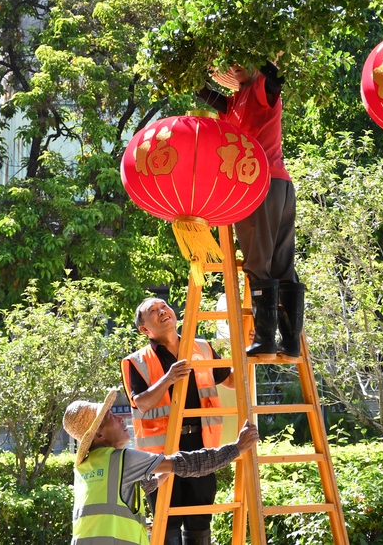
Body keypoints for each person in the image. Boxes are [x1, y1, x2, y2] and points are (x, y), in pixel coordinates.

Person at [199, 61, 305, 358]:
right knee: (282, 264)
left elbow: (271, 88)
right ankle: (291, 343)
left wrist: (271, 74)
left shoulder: (258, 88)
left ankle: (266, 340)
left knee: (258, 263)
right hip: (280, 184)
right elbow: (210, 97)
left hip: (256, 185)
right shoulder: (234, 101)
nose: (235, 66)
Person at [63, 389, 259, 545]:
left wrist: (161, 471)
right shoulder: (122, 459)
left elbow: (128, 492)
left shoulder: (85, 467)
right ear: (99, 436)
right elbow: (188, 464)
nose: (121, 419)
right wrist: (237, 448)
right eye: (111, 417)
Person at [121, 298, 234, 545]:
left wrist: (247, 349)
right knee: (166, 519)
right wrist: (169, 378)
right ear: (144, 329)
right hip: (160, 456)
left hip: (202, 445)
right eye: (153, 311)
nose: (162, 311)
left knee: (200, 520)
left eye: (164, 306)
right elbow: (141, 402)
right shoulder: (136, 361)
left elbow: (232, 381)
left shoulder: (202, 348)